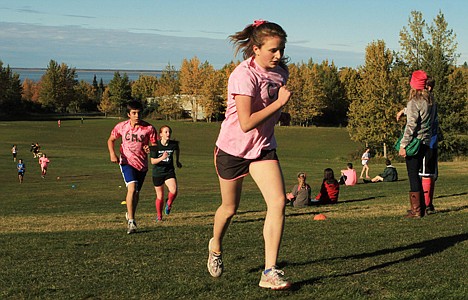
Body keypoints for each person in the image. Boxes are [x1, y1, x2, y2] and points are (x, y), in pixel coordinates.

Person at [207, 20, 292, 290]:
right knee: (230, 209)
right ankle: (216, 246)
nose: (279, 56)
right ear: (255, 49)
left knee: (278, 202)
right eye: (273, 51)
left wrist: (279, 109)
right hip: (232, 149)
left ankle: (269, 271)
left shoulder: (281, 72)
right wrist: (279, 103)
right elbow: (245, 122)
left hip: (263, 148)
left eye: (281, 49)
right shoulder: (243, 75)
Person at [107, 100, 157, 234]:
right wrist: (113, 154)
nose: (137, 116)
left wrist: (150, 149)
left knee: (136, 193)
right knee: (132, 187)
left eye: (139, 113)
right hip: (126, 162)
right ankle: (132, 221)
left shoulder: (149, 128)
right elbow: (111, 140)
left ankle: (130, 214)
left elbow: (155, 146)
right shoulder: (122, 127)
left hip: (141, 164)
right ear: (129, 114)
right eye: (134, 113)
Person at [398, 70, 433, 218]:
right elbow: (419, 113)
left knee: (412, 174)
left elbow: (411, 125)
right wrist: (405, 110)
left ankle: (417, 210)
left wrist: (403, 145)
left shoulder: (413, 102)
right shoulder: (430, 101)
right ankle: (422, 207)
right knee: (417, 174)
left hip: (414, 142)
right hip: (426, 141)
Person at [150, 125, 182, 221]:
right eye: (166, 132)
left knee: (174, 190)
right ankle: (159, 216)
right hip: (158, 173)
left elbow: (177, 149)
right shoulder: (155, 146)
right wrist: (162, 158)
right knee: (160, 196)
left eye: (169, 132)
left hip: (169, 171)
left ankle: (169, 204)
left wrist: (177, 161)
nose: (168, 134)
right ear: (161, 134)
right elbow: (152, 161)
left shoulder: (173, 144)